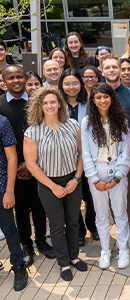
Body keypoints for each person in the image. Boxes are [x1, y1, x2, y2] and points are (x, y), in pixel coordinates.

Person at [24, 86, 87, 281]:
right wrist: (53, 187)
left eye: (53, 101)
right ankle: (63, 262)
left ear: (59, 103)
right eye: (45, 103)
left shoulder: (72, 124)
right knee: (57, 225)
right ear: (39, 106)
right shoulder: (33, 132)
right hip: (48, 184)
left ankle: (74, 257)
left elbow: (82, 154)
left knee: (74, 221)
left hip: (72, 181)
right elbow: (32, 166)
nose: (49, 105)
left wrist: (76, 179)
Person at [0, 65, 55, 266]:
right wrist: (20, 165)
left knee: (40, 205)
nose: (16, 81)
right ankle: (26, 244)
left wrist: (33, 163)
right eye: (11, 78)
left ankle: (41, 241)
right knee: (21, 208)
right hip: (13, 169)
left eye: (19, 77)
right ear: (3, 81)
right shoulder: (0, 105)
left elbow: (48, 133)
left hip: (40, 165)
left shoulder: (39, 102)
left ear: (25, 78)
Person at [81, 83, 130, 270]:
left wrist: (118, 176)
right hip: (97, 172)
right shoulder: (87, 122)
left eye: (106, 96)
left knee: (120, 213)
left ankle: (123, 248)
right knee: (101, 215)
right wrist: (94, 179)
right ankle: (105, 250)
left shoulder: (121, 120)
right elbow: (85, 153)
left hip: (117, 171)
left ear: (112, 98)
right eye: (98, 97)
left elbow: (126, 152)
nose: (103, 100)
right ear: (93, 101)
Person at [102, 53, 130, 249]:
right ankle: (120, 227)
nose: (112, 70)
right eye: (107, 67)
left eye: (115, 67)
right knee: (111, 193)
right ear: (102, 71)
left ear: (120, 70)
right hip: (103, 157)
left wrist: (124, 144)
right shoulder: (98, 95)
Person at [58, 68, 99, 246]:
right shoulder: (56, 106)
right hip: (66, 160)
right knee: (73, 199)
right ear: (61, 86)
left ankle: (93, 226)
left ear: (81, 84)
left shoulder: (90, 103)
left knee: (92, 197)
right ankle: (79, 231)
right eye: (67, 84)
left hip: (90, 157)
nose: (71, 87)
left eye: (75, 83)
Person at [0, 107, 29, 291]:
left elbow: (12, 158)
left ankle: (18, 265)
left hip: (1, 185)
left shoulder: (2, 122)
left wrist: (10, 190)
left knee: (9, 227)